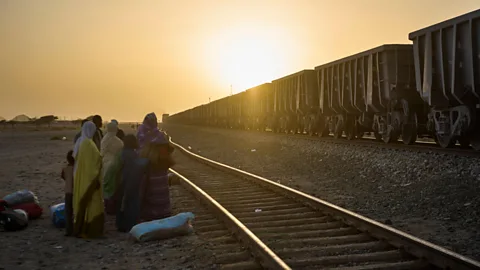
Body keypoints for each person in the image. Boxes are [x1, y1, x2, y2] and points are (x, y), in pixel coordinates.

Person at [73, 121, 104, 238]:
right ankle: (90, 230)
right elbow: (94, 163)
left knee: (82, 201)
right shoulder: (89, 144)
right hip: (90, 180)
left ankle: (80, 227)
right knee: (93, 204)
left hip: (81, 177)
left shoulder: (82, 143)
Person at [138, 131, 175, 222]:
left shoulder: (148, 166)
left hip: (152, 213)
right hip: (166, 211)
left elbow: (142, 192)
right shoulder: (165, 164)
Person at [115, 134, 148, 232]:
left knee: (122, 202)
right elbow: (137, 165)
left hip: (122, 180)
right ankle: (130, 224)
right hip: (131, 180)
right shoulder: (132, 154)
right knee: (132, 202)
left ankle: (121, 224)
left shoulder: (122, 153)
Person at [101, 121, 124, 214]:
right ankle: (111, 208)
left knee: (106, 186)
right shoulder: (116, 140)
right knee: (112, 186)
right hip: (113, 165)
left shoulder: (104, 138)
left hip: (105, 164)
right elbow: (122, 148)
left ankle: (107, 207)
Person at [61, 150, 75, 236]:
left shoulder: (65, 169)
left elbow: (63, 177)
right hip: (76, 192)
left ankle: (68, 230)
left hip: (68, 192)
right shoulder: (77, 169)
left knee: (68, 212)